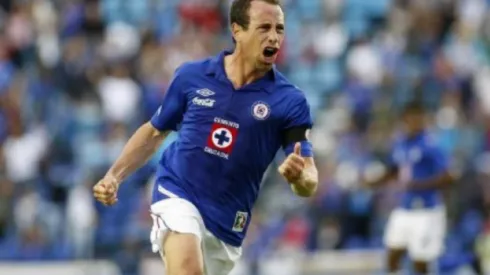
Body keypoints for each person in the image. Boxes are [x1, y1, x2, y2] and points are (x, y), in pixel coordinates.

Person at [92, 1, 319, 275]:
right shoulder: (192, 76)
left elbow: (309, 179)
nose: (274, 37)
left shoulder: (289, 101)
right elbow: (154, 131)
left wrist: (299, 179)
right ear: (237, 31)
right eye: (264, 28)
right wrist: (114, 176)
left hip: (227, 222)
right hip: (177, 191)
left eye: (279, 29)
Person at [363, 101, 453, 275]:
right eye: (412, 118)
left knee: (420, 262)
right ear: (405, 119)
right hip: (404, 207)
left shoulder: (430, 144)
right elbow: (394, 169)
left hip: (427, 210)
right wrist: (374, 182)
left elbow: (448, 177)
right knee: (392, 255)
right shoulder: (400, 143)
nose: (416, 122)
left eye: (420, 118)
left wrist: (419, 185)